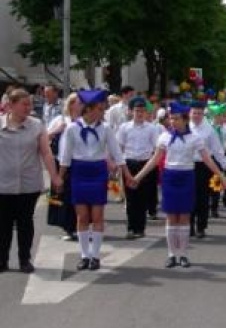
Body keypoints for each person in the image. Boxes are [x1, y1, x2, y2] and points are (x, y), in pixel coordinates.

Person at [131, 102, 225, 268]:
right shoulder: (165, 137)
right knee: (171, 217)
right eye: (171, 118)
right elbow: (155, 160)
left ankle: (183, 254)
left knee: (184, 217)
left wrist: (222, 176)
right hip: (170, 177)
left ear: (184, 120)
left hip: (187, 176)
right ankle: (171, 254)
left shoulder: (195, 138)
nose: (172, 122)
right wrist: (138, 177)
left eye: (176, 119)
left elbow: (207, 159)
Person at [58, 89, 132, 271]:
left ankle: (95, 256)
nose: (103, 112)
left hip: (98, 171)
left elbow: (117, 153)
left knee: (97, 215)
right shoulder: (72, 128)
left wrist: (127, 175)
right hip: (79, 171)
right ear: (89, 109)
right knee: (82, 216)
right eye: (100, 109)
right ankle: (84, 255)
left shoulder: (105, 128)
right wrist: (59, 178)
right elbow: (65, 156)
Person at [0, 89, 63, 273]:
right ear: (11, 106)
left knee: (25, 223)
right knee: (2, 224)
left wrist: (55, 177)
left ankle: (24, 259)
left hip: (29, 185)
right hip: (3, 185)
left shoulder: (36, 125)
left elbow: (46, 153)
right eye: (24, 104)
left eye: (29, 104)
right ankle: (2, 260)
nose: (29, 108)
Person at [116, 96, 160, 239]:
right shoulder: (124, 128)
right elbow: (119, 148)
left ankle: (140, 228)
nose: (139, 114)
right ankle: (131, 227)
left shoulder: (151, 129)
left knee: (142, 197)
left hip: (145, 164)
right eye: (136, 111)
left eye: (142, 111)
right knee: (130, 198)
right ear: (130, 112)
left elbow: (156, 149)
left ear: (146, 113)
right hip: (129, 163)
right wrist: (120, 166)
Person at [188, 101, 226, 238]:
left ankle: (201, 226)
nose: (196, 116)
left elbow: (217, 150)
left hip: (204, 166)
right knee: (189, 197)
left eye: (199, 113)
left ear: (203, 114)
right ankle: (189, 226)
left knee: (202, 198)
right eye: (194, 113)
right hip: (187, 166)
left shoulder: (209, 130)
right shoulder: (185, 127)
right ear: (190, 113)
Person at [46, 93, 82, 241]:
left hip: (78, 162)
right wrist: (57, 130)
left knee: (77, 196)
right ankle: (68, 227)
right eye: (78, 103)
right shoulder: (60, 120)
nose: (81, 106)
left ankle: (77, 226)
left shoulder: (83, 122)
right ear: (71, 104)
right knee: (62, 196)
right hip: (60, 162)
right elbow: (45, 137)